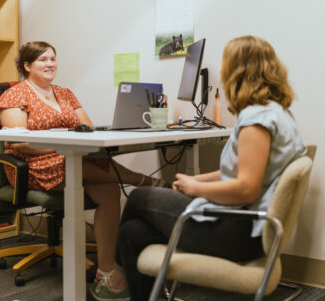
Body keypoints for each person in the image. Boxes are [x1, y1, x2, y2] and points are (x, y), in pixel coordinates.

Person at [101, 35, 307, 301]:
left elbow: (245, 188)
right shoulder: (275, 112)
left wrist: (196, 188)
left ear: (238, 71)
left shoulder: (256, 120)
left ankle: (116, 280)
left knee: (140, 196)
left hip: (242, 231)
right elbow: (243, 171)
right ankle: (126, 282)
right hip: (246, 224)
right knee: (132, 233)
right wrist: (199, 180)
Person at [0, 41, 168, 301]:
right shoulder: (15, 95)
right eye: (42, 59)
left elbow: (87, 128)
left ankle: (105, 272)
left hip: (70, 158)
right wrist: (62, 146)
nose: (50, 63)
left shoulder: (65, 93)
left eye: (53, 58)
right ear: (27, 66)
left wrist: (70, 145)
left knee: (109, 191)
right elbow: (19, 142)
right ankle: (144, 180)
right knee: (82, 161)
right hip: (32, 165)